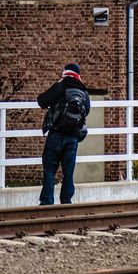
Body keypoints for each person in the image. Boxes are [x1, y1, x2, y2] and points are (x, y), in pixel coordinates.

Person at [37, 62, 91, 206]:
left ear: (65, 72)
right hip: (72, 137)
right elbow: (87, 110)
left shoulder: (61, 86)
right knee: (68, 171)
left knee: (49, 169)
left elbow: (41, 101)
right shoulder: (84, 92)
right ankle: (66, 201)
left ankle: (47, 201)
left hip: (56, 134)